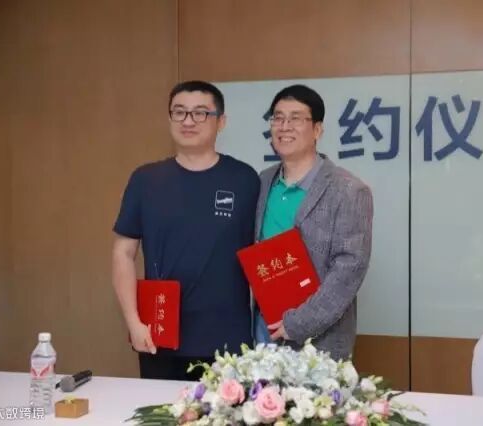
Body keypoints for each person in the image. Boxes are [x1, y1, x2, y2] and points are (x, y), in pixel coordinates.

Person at [112, 80, 258, 380]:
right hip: (159, 333)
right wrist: (133, 322)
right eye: (179, 112)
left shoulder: (244, 179)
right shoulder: (146, 180)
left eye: (200, 113)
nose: (188, 121)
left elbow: (261, 251)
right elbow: (123, 253)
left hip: (227, 337)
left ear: (221, 121)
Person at [253, 84, 373, 361]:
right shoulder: (262, 181)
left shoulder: (348, 190)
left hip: (319, 341)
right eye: (278, 118)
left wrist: (298, 324)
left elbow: (349, 269)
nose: (284, 126)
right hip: (262, 330)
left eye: (296, 118)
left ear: (317, 130)